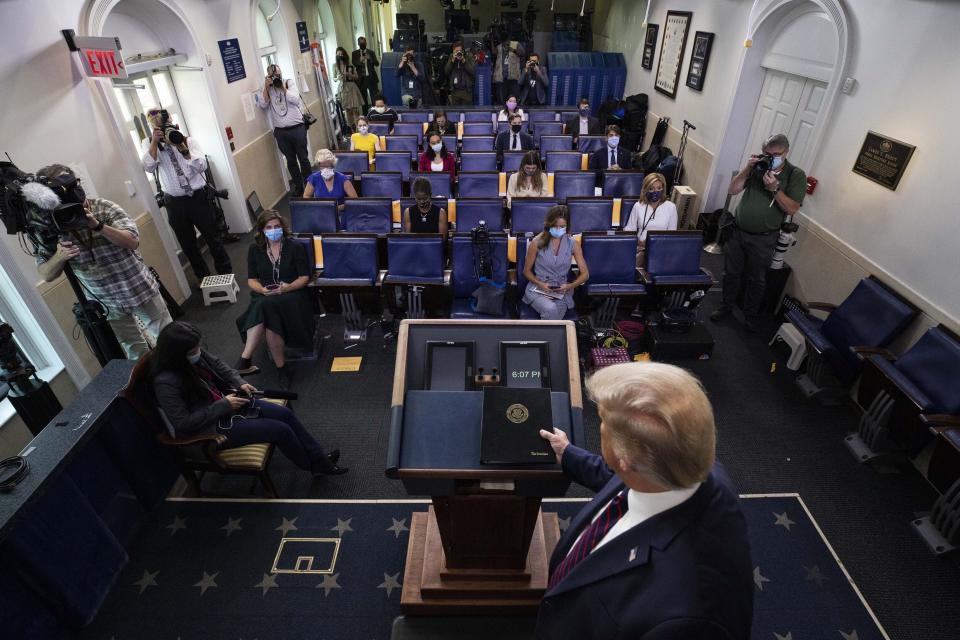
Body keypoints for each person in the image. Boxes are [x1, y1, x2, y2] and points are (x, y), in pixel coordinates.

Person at [535, 361, 753, 639]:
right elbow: (621, 480)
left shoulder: (690, 620)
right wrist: (567, 453)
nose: (601, 425)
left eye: (602, 423)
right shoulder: (681, 462)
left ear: (623, 458)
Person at [153, 321, 347, 476]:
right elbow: (183, 424)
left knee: (284, 414)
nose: (198, 352)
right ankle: (314, 466)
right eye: (193, 351)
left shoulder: (192, 354)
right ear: (178, 354)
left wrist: (239, 382)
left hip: (228, 404)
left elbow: (221, 366)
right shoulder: (166, 383)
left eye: (197, 348)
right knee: (279, 430)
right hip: (212, 428)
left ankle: (319, 457)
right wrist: (224, 405)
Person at [31, 164, 172, 359]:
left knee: (169, 339)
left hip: (138, 287)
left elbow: (132, 241)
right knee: (134, 349)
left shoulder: (103, 207)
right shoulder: (50, 226)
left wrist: (98, 225)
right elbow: (46, 274)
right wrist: (59, 256)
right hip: (105, 300)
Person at [711, 133, 806, 332]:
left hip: (764, 238)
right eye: (766, 153)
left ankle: (750, 315)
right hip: (738, 231)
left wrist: (774, 188)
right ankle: (726, 306)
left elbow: (792, 209)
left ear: (786, 153)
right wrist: (748, 167)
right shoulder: (758, 167)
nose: (770, 157)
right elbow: (732, 189)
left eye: (775, 154)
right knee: (731, 273)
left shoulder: (795, 174)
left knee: (757, 279)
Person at [141, 107, 231, 280]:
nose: (166, 131)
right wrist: (154, 142)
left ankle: (225, 272)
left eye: (167, 126)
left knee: (212, 238)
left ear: (173, 123)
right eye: (161, 129)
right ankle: (202, 276)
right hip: (174, 203)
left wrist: (183, 148)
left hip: (198, 198)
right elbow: (148, 167)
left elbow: (202, 166)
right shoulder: (150, 144)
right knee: (188, 245)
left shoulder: (188, 141)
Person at [235, 211, 314, 389]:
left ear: (282, 228)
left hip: (292, 294)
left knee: (265, 307)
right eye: (269, 227)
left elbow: (303, 278)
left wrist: (286, 288)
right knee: (267, 307)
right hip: (266, 294)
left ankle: (246, 359)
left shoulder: (295, 247)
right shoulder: (254, 250)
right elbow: (252, 281)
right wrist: (263, 290)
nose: (273, 230)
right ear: (262, 231)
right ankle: (281, 368)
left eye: (277, 227)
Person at [521, 205, 589, 320]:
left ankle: (543, 338)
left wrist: (570, 286)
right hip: (539, 288)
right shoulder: (537, 242)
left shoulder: (573, 243)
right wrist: (541, 284)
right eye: (555, 226)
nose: (558, 230)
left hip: (562, 291)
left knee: (554, 314)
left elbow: (585, 274)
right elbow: (526, 272)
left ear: (567, 226)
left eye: (561, 227)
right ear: (549, 224)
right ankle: (550, 338)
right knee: (551, 309)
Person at [254, 64, 311, 195]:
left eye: (278, 75)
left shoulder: (288, 83)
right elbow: (263, 104)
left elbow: (296, 100)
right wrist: (266, 87)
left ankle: (310, 185)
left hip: (297, 128)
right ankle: (298, 186)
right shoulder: (268, 88)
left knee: (303, 158)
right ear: (268, 76)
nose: (276, 78)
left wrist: (283, 89)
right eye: (273, 76)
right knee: (291, 161)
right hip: (281, 132)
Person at [622, 172, 678, 256]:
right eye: (651, 189)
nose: (655, 192)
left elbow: (671, 236)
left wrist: (651, 243)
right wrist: (637, 241)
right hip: (639, 247)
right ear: (645, 189)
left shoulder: (671, 207)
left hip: (661, 248)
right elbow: (630, 230)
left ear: (663, 189)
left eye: (659, 188)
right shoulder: (638, 206)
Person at [303, 149, 358, 213]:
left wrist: (338, 208)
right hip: (320, 213)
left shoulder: (343, 179)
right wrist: (315, 206)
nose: (325, 169)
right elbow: (306, 196)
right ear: (319, 166)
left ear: (332, 165)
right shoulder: (313, 178)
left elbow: (355, 200)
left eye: (328, 166)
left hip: (340, 213)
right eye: (323, 166)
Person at [332, 47, 364, 128]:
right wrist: (338, 77)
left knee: (354, 109)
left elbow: (356, 77)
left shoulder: (350, 65)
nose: (340, 55)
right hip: (343, 88)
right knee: (347, 110)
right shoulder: (335, 65)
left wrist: (349, 74)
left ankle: (358, 127)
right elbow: (334, 78)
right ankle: (350, 129)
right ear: (336, 55)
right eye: (338, 54)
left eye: (342, 54)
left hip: (352, 87)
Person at [351, 36, 380, 111]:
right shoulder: (354, 53)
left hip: (371, 78)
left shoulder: (371, 52)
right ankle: (366, 115)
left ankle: (375, 113)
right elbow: (354, 63)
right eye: (360, 43)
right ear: (358, 43)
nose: (362, 44)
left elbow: (377, 63)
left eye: (363, 42)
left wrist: (370, 58)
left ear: (366, 43)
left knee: (374, 97)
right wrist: (360, 60)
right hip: (361, 80)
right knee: (363, 99)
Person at [491, 39, 524, 104]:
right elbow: (494, 52)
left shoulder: (515, 44)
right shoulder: (500, 46)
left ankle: (513, 111)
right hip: (501, 76)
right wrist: (492, 40)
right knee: (501, 98)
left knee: (514, 96)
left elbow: (522, 53)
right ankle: (502, 111)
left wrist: (514, 50)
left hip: (513, 76)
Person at [444, 41, 475, 106]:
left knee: (466, 113)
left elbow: (473, 71)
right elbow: (446, 72)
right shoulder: (451, 57)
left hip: (466, 91)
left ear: (463, 51)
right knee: (455, 113)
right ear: (453, 51)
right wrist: (452, 61)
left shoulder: (468, 56)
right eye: (456, 51)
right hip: (455, 92)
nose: (458, 52)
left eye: (460, 50)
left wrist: (464, 61)